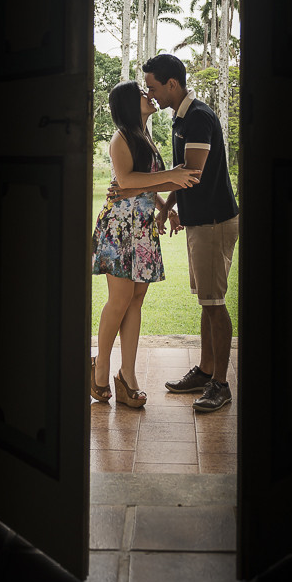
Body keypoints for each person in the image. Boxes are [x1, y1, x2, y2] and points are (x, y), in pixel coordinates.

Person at [91, 79, 201, 408]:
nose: (149, 95)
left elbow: (143, 186)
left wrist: (166, 208)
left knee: (136, 299)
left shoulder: (144, 137)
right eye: (142, 93)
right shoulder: (121, 138)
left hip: (141, 226)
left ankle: (127, 376)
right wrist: (171, 175)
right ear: (128, 103)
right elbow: (126, 180)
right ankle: (99, 367)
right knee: (120, 299)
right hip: (120, 226)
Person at [142, 53, 239, 413]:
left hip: (214, 221)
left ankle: (221, 385)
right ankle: (205, 370)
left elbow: (192, 173)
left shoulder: (198, 117)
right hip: (200, 221)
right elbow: (183, 171)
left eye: (153, 87)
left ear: (172, 84)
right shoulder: (181, 118)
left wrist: (143, 185)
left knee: (215, 304)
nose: (151, 95)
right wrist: (168, 207)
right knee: (206, 302)